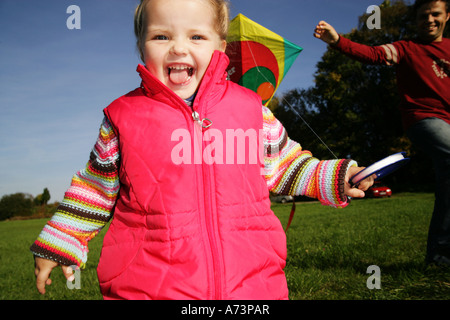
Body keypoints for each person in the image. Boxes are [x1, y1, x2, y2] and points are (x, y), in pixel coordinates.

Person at [31, 0, 373, 300]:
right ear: (141, 46)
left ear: (220, 47)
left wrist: (337, 176)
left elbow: (285, 165)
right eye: (161, 36)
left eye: (196, 36)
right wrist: (61, 239)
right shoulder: (123, 118)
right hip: (151, 287)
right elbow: (95, 188)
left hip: (251, 285)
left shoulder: (251, 109)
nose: (179, 48)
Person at [314, 0, 450, 266]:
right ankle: (440, 254)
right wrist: (337, 40)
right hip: (424, 119)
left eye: (436, 14)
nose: (430, 20)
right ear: (416, 19)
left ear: (447, 16)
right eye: (424, 15)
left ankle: (439, 256)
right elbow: (373, 54)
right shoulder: (406, 49)